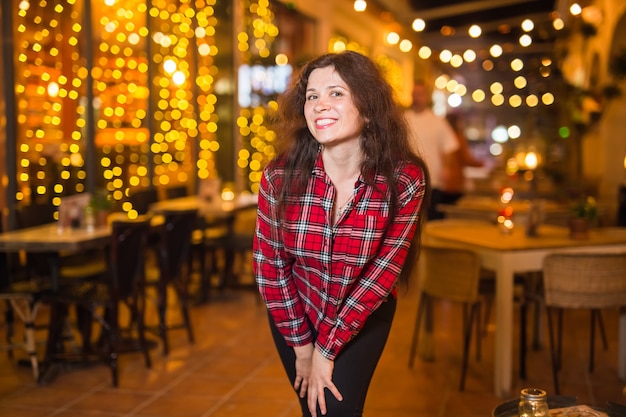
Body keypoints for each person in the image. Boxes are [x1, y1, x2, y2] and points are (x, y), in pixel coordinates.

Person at [253, 51, 429, 417]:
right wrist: (303, 348)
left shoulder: (404, 179)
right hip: (296, 308)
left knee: (336, 413)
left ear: (367, 107)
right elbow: (270, 267)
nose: (319, 105)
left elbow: (381, 275)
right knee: (314, 411)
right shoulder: (279, 177)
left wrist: (327, 349)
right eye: (312, 96)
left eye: (336, 93)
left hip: (364, 311)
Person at [405, 79, 458, 220]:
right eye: (415, 94)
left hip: (433, 180)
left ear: (427, 97)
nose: (417, 97)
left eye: (421, 94)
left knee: (431, 218)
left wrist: (446, 168)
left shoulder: (437, 121)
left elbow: (449, 147)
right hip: (407, 180)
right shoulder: (403, 119)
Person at [441, 112, 484, 205]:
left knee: (441, 211)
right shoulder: (458, 137)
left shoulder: (442, 137)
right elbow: (466, 159)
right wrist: (482, 164)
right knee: (453, 211)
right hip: (455, 182)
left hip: (441, 180)